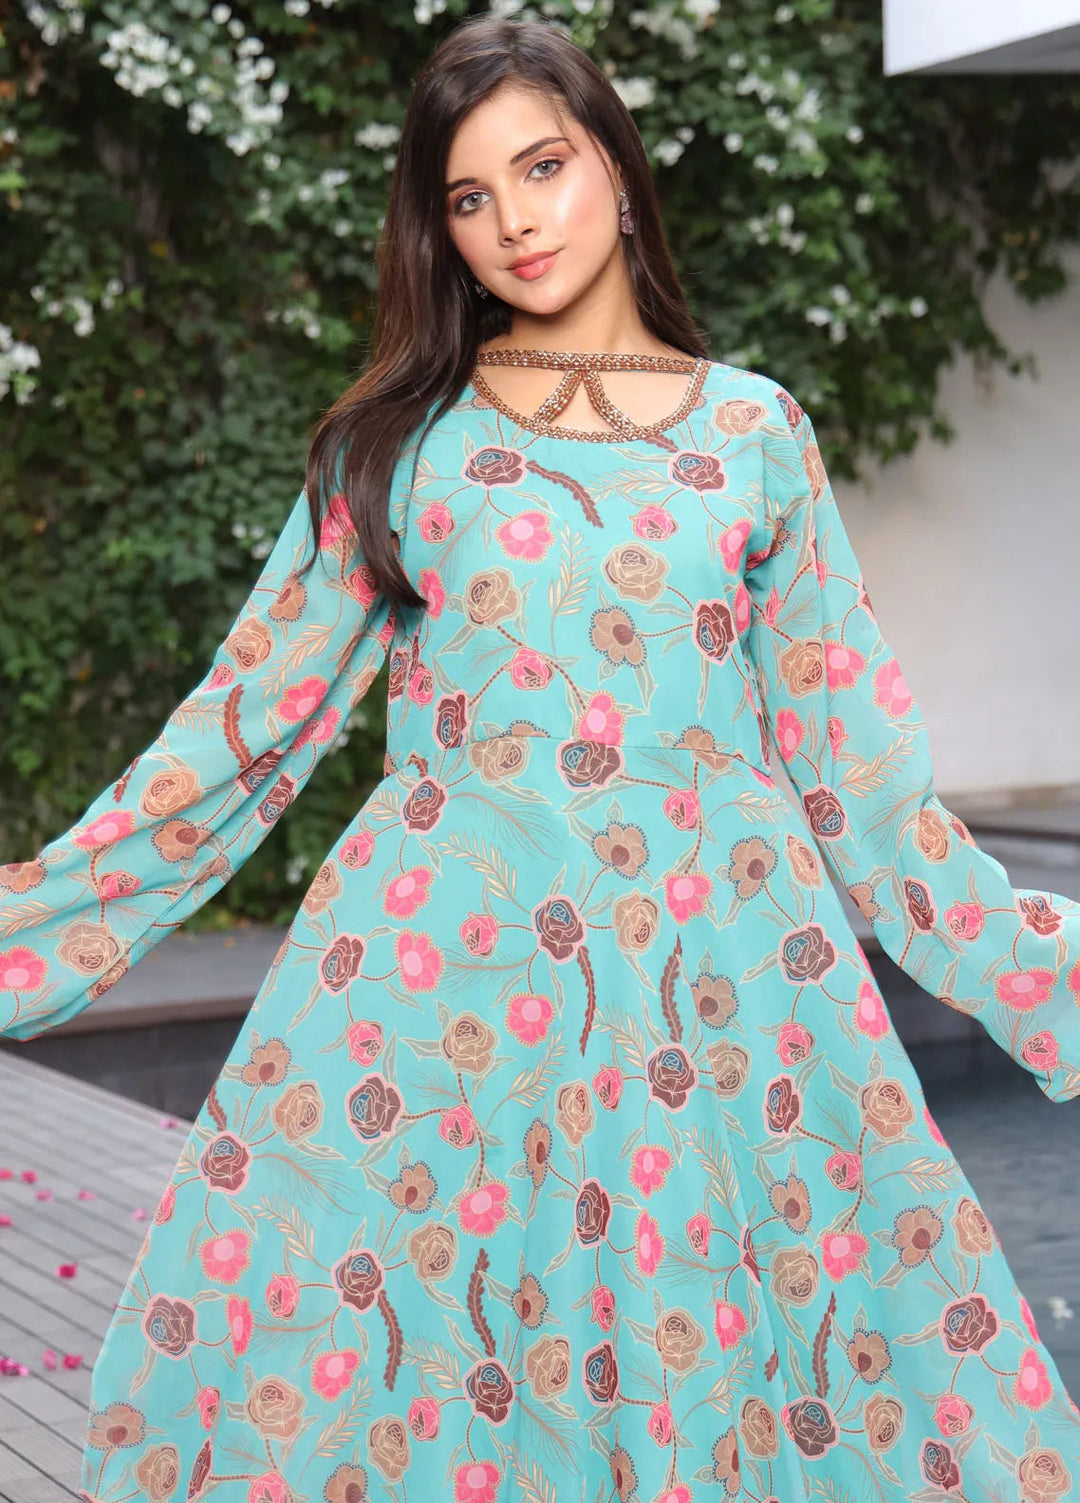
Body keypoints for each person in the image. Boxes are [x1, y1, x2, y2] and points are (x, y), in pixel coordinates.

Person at [1, 13, 1078, 1502]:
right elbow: (241, 733)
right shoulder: (394, 446)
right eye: (469, 195)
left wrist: (1048, 971)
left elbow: (870, 793)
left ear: (616, 167)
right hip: (450, 996)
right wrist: (30, 926)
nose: (514, 219)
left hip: (722, 991)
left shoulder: (754, 434)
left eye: (544, 166)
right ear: (437, 230)